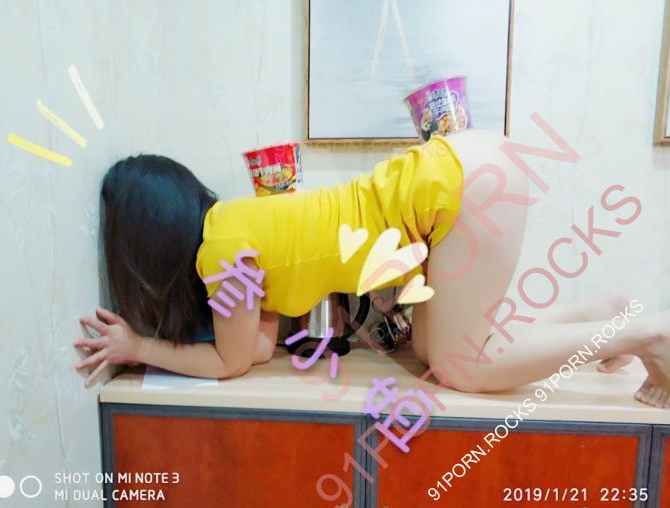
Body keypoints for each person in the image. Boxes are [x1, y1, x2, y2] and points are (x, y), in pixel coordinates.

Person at [73, 129, 670, 410]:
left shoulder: (222, 255)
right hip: (461, 167)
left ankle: (644, 334)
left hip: (458, 186)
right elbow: (250, 348)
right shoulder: (233, 225)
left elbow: (228, 363)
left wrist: (138, 347)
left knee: (462, 368)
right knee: (435, 351)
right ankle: (604, 313)